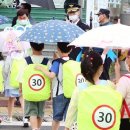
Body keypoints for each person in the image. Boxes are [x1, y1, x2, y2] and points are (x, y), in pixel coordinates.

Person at [64, 51, 122, 130]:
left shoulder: (79, 89)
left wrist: (67, 127)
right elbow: (119, 93)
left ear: (82, 71)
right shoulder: (108, 85)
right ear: (101, 68)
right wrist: (117, 71)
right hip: (103, 126)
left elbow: (71, 111)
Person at [35, 42, 80, 130]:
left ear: (58, 49)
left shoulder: (57, 62)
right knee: (69, 117)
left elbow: (51, 75)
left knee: (56, 117)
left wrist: (42, 69)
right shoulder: (73, 62)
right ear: (70, 50)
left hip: (59, 93)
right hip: (71, 92)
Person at [17, 42, 51, 130]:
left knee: (32, 112)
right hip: (42, 91)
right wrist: (50, 91)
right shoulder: (47, 61)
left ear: (31, 47)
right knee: (40, 112)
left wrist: (20, 88)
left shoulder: (26, 61)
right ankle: (38, 128)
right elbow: (50, 78)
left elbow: (21, 76)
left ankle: (34, 128)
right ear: (43, 47)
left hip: (29, 91)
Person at [3, 51, 25, 123]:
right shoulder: (24, 55)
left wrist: (5, 79)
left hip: (11, 82)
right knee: (22, 99)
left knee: (11, 100)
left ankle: (10, 118)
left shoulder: (10, 56)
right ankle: (25, 118)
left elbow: (5, 70)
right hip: (21, 81)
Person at [115, 49, 130, 130]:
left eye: (127, 57)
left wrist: (118, 76)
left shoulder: (124, 80)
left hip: (126, 119)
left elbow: (116, 100)